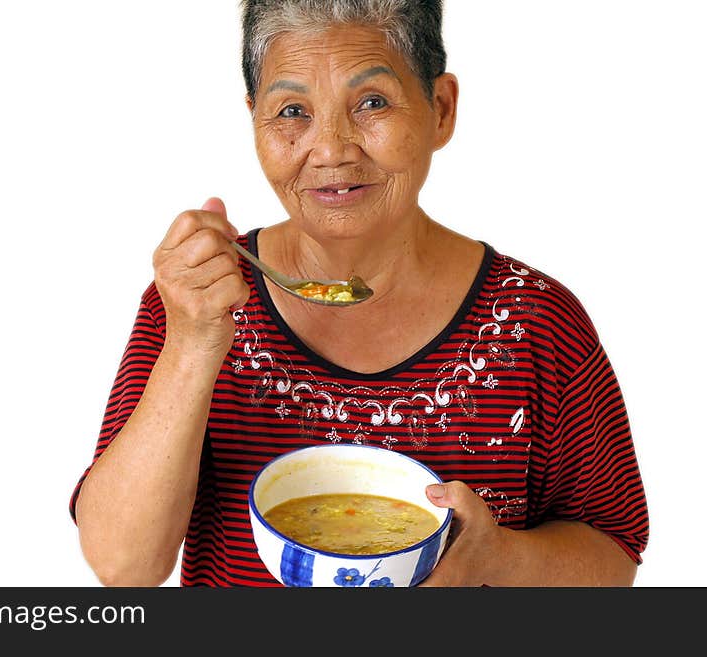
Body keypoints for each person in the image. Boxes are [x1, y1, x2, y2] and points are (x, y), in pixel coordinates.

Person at [70, 0, 649, 587]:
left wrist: (500, 560)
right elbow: (123, 567)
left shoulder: (538, 323)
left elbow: (613, 556)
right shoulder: (199, 299)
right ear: (254, 120)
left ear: (441, 109)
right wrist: (194, 343)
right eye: (292, 110)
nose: (330, 149)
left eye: (372, 102)